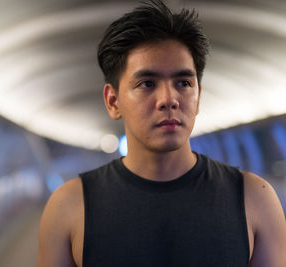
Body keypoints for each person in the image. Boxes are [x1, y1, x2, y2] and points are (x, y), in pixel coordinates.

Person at [37, 0, 286, 266]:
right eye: (147, 83)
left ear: (198, 97)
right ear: (113, 101)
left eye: (183, 83)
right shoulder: (69, 206)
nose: (169, 99)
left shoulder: (254, 198)